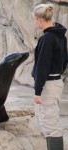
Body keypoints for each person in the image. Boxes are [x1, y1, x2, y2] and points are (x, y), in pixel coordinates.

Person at [31, 3, 68, 150]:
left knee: (50, 123)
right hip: (56, 81)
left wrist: (38, 91)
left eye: (34, 19)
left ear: (39, 19)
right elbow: (65, 60)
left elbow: (42, 66)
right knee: (49, 121)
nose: (34, 22)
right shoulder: (60, 35)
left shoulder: (47, 38)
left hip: (49, 85)